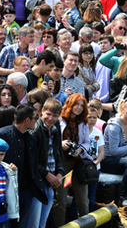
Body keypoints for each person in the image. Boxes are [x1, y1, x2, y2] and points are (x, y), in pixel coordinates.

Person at [52, 94, 92, 226]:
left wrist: (80, 149)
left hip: (78, 163)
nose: (79, 108)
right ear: (70, 104)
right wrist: (61, 144)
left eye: (82, 105)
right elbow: (51, 140)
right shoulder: (59, 120)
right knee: (61, 199)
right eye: (77, 104)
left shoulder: (83, 122)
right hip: (62, 164)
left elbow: (87, 142)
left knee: (82, 200)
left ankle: (85, 225)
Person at [30, 99, 65, 228]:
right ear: (42, 111)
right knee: (34, 221)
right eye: (48, 114)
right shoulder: (35, 130)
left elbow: (58, 153)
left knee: (42, 222)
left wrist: (60, 173)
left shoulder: (56, 128)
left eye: (55, 116)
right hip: (39, 179)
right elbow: (32, 160)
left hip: (51, 180)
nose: (50, 118)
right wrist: (47, 174)